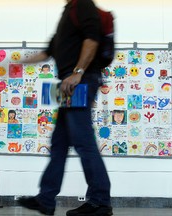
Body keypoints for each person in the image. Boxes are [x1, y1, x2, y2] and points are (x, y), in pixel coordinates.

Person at [18, 0, 113, 215]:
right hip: (66, 84)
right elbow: (47, 52)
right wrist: (18, 63)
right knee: (59, 143)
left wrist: (78, 71)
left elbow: (92, 39)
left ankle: (100, 201)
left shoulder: (83, 5)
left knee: (83, 141)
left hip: (79, 80)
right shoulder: (67, 12)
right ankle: (46, 199)